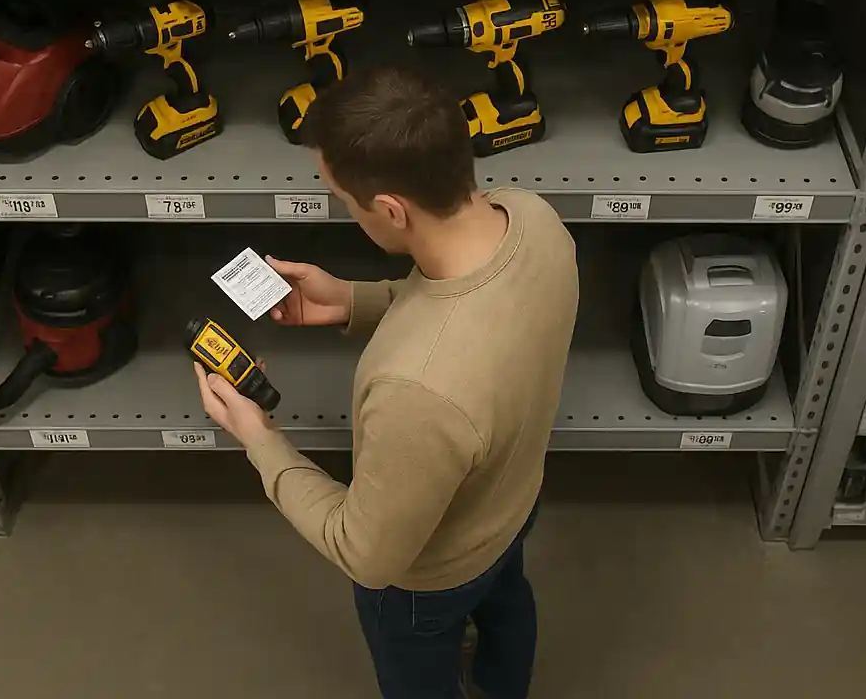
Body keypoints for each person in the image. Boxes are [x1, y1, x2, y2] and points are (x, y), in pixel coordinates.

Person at [195, 64, 579, 699]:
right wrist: (350, 299)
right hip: (513, 506)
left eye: (343, 201)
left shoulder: (416, 393)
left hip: (429, 581)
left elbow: (367, 553)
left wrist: (257, 437)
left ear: (391, 209)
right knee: (510, 607)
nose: (346, 213)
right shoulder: (533, 219)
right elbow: (473, 305)